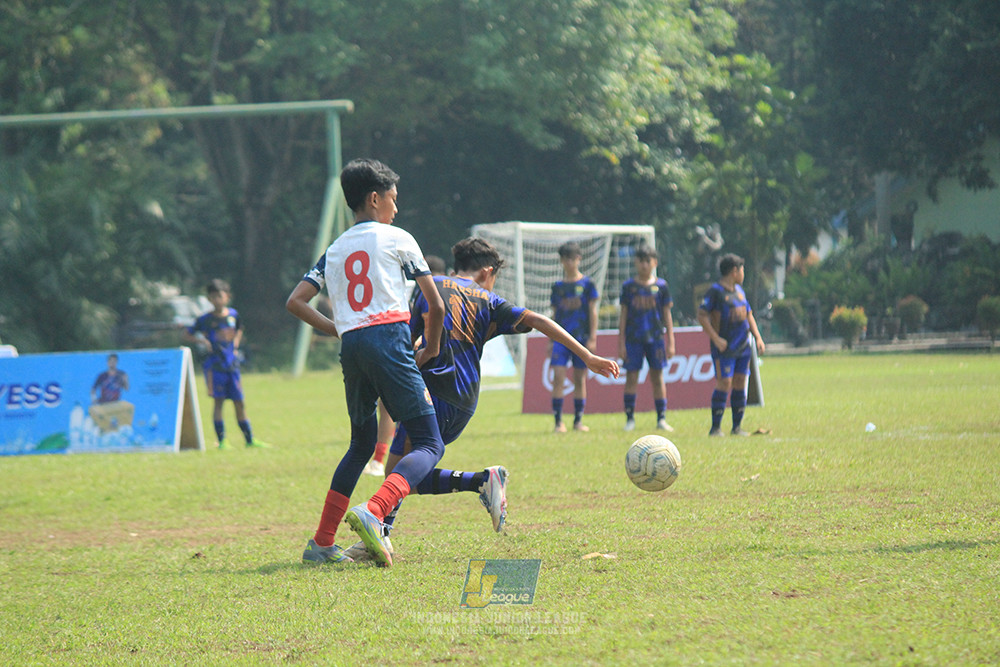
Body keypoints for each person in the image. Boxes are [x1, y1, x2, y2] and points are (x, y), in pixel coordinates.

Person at [343, 237, 618, 562]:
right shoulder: (489, 299)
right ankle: (461, 491)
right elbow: (540, 321)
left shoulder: (431, 286)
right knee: (403, 472)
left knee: (407, 466)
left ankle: (377, 518)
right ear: (488, 271)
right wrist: (587, 356)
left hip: (430, 390)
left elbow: (409, 338)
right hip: (464, 399)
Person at [286, 157, 446, 568]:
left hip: (353, 345)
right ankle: (375, 511)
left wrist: (339, 329)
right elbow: (435, 304)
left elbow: (296, 301)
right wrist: (429, 347)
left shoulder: (335, 249)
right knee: (430, 442)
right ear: (374, 199)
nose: (397, 208)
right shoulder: (397, 238)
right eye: (393, 199)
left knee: (360, 445)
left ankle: (321, 544)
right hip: (389, 339)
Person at [363, 255, 448, 478]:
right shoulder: (424, 295)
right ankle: (381, 459)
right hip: (421, 358)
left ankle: (384, 461)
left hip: (428, 361)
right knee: (388, 405)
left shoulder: (434, 296)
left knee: (397, 411)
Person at [184, 279, 270, 450]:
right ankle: (222, 441)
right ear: (209, 299)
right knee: (219, 402)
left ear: (227, 297)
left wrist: (236, 345)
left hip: (232, 366)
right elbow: (186, 334)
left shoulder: (233, 315)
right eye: (213, 297)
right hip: (215, 367)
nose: (217, 300)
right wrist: (201, 340)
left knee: (240, 402)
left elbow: (239, 328)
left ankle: (249, 440)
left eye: (220, 296)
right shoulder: (205, 320)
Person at [696, 253, 765, 436]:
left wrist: (757, 337)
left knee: (740, 382)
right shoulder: (716, 291)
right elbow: (702, 315)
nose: (743, 273)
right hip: (725, 348)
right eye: (742, 270)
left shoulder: (739, 291)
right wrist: (716, 339)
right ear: (735, 271)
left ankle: (736, 427)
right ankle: (716, 428)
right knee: (724, 382)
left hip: (743, 346)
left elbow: (748, 314)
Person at [618, 244, 675, 433]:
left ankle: (661, 418)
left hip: (656, 339)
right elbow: (623, 315)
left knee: (658, 377)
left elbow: (667, 315)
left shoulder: (661, 286)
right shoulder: (629, 287)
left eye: (648, 261)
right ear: (636, 263)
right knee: (631, 377)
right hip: (633, 339)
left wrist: (671, 341)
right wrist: (621, 342)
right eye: (641, 261)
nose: (644, 265)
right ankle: (629, 418)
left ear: (654, 263)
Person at [549, 241, 600, 433]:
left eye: (573, 258)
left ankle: (578, 421)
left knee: (579, 379)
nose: (570, 262)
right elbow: (554, 316)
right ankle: (558, 422)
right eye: (566, 259)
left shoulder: (587, 285)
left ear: (579, 259)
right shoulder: (558, 287)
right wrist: (550, 339)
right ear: (562, 261)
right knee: (559, 377)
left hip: (581, 338)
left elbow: (592, 311)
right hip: (560, 340)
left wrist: (593, 337)